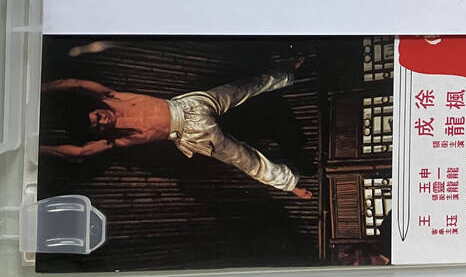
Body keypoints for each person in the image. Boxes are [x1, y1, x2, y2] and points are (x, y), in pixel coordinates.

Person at [39, 64, 311, 198]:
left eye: (97, 116)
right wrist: (40, 149)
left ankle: (287, 75)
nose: (102, 120)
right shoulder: (116, 140)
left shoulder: (112, 97)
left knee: (243, 88)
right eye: (97, 126)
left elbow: (76, 83)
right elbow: (79, 153)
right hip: (193, 133)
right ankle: (289, 183)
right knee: (243, 158)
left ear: (97, 107)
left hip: (189, 104)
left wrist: (43, 88)